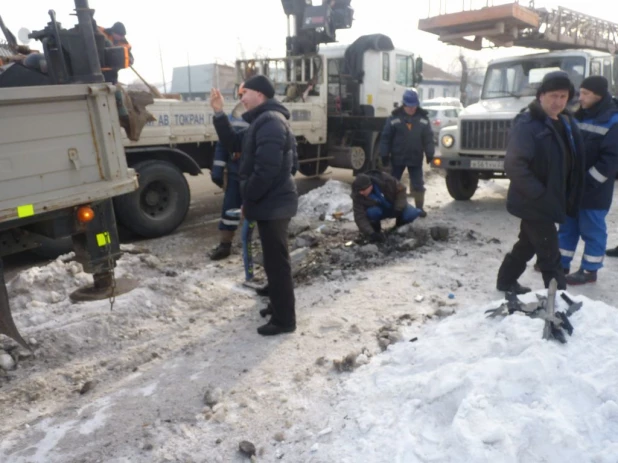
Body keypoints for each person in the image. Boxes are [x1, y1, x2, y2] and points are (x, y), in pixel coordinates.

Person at [210, 74, 298, 336]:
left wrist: (249, 200)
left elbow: (267, 170)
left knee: (277, 263)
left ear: (259, 94)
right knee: (273, 261)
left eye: (243, 94)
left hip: (274, 203)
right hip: (272, 202)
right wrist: (219, 114)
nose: (241, 99)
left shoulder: (270, 122)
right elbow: (235, 145)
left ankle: (285, 320)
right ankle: (277, 304)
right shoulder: (262, 121)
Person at [496, 71, 585, 294]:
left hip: (553, 197)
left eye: (563, 96)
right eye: (553, 95)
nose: (558, 102)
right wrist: (539, 194)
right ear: (541, 95)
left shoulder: (566, 122)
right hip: (535, 201)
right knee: (550, 254)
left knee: (527, 244)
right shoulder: (528, 124)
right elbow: (515, 165)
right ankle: (559, 298)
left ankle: (506, 281)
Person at [557, 76, 618, 283]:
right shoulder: (579, 115)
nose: (580, 97)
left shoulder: (613, 120)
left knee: (592, 229)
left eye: (585, 94)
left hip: (595, 190)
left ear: (598, 96)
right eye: (580, 92)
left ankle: (590, 270)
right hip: (574, 186)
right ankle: (561, 264)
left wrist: (587, 181)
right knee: (568, 226)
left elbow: (610, 161)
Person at [379, 88, 434, 217]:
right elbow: (386, 137)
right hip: (398, 157)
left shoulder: (423, 119)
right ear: (404, 104)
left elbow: (428, 138)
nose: (412, 109)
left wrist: (429, 152)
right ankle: (390, 207)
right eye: (409, 106)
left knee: (418, 184)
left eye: (414, 106)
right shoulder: (394, 118)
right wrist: (384, 154)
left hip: (415, 158)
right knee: (393, 183)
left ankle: (419, 208)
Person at [209, 102, 249, 261]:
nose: (244, 98)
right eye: (242, 95)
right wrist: (217, 170)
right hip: (235, 175)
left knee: (258, 211)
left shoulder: (261, 118)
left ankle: (255, 243)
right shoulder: (233, 117)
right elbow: (223, 144)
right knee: (229, 209)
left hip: (253, 177)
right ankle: (225, 245)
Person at [351, 170, 422, 242]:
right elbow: (359, 217)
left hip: (394, 206)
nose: (361, 193)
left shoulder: (386, 180)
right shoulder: (358, 195)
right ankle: (376, 230)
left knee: (411, 214)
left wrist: (398, 209)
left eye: (363, 190)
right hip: (379, 210)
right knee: (371, 212)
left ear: (370, 186)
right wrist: (371, 233)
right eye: (359, 191)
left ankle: (399, 227)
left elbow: (401, 190)